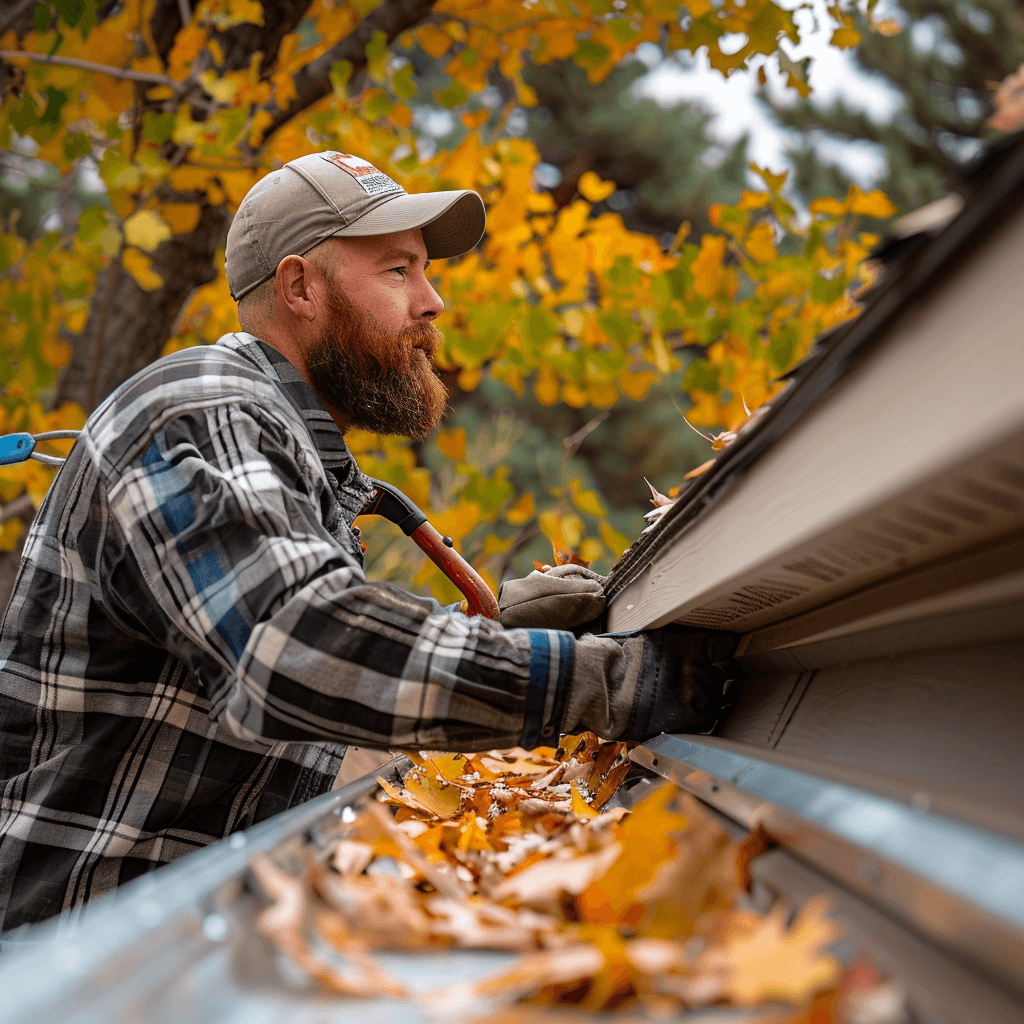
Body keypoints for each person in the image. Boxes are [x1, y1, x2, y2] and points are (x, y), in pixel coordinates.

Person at [0, 152, 726, 935]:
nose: (433, 301)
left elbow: (279, 644)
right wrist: (605, 682)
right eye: (397, 271)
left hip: (190, 937)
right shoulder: (201, 411)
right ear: (301, 287)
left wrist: (487, 639)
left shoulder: (287, 449)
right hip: (74, 961)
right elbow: (295, 643)